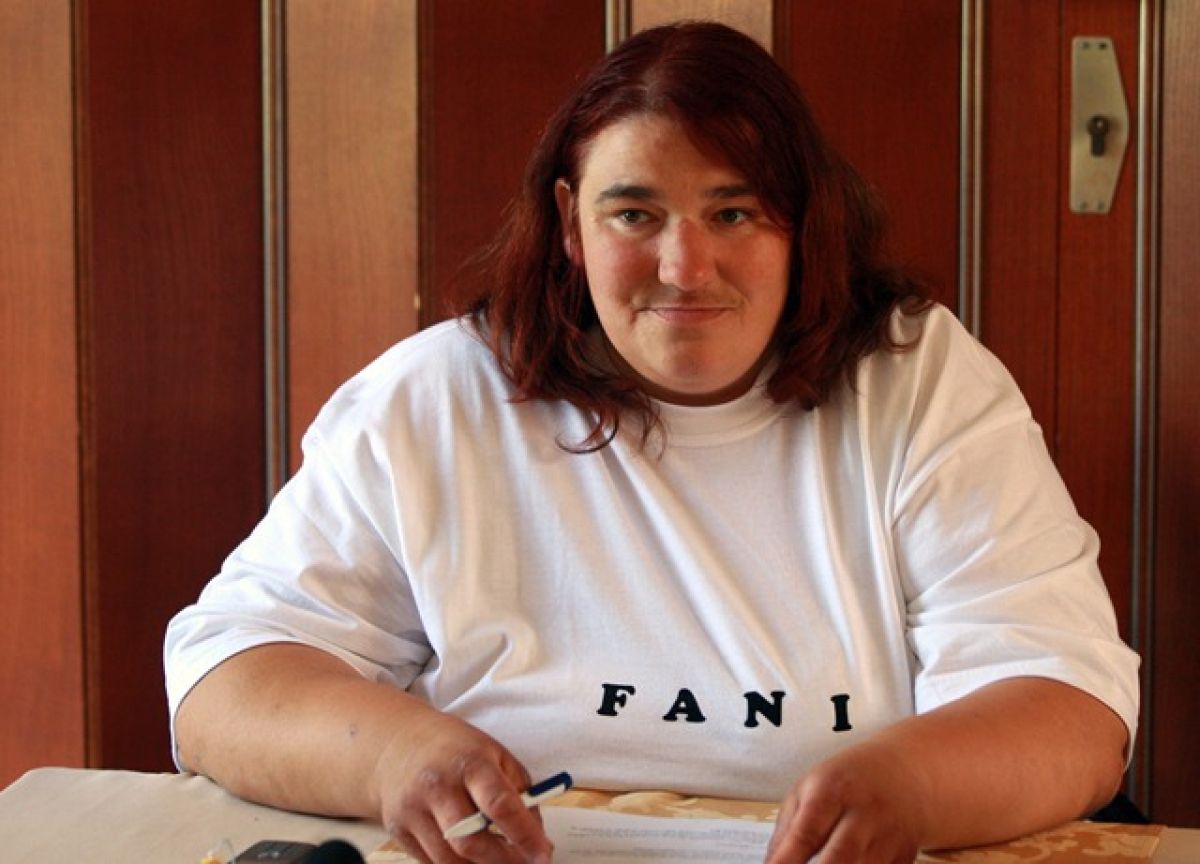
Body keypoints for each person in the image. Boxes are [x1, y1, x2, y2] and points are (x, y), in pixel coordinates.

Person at [165, 21, 1139, 864]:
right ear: (570, 224)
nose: (685, 267)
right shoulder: (437, 394)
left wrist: (909, 786)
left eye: (734, 213)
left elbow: (1071, 705)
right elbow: (225, 679)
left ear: (803, 224)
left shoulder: (916, 379)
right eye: (634, 213)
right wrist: (392, 757)